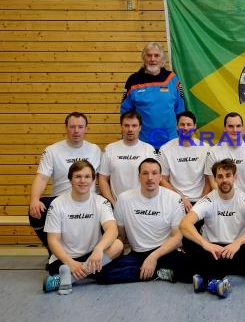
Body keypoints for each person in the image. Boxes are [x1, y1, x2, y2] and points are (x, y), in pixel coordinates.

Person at [180, 159, 245, 298]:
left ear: (235, 177)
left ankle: (206, 277)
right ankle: (216, 280)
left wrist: (237, 243)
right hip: (211, 251)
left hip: (234, 251)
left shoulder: (244, 199)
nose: (224, 180)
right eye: (220, 176)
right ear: (215, 179)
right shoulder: (208, 200)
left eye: (228, 175)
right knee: (187, 239)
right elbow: (184, 224)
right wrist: (206, 245)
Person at [103, 158, 190, 284]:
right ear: (139, 177)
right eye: (145, 173)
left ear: (160, 177)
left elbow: (177, 237)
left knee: (192, 270)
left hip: (165, 251)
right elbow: (120, 235)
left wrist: (153, 257)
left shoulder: (174, 198)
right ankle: (158, 273)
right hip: (138, 254)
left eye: (154, 173)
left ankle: (151, 271)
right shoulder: (124, 199)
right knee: (104, 274)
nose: (150, 178)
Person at [42, 160, 123, 295]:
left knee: (118, 245)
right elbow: (52, 240)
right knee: (107, 274)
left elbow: (112, 229)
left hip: (92, 257)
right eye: (78, 176)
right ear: (70, 179)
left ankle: (68, 278)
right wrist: (70, 262)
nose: (82, 181)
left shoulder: (101, 201)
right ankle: (79, 273)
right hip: (64, 260)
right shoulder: (57, 204)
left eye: (87, 177)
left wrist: (99, 249)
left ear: (92, 180)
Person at [28, 112, 101, 254]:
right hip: (60, 200)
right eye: (72, 127)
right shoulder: (52, 150)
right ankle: (54, 251)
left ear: (86, 129)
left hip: (88, 200)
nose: (76, 131)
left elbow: (103, 178)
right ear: (66, 128)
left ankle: (95, 252)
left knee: (109, 208)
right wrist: (34, 199)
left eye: (80, 127)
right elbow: (42, 177)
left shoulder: (95, 150)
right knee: (36, 212)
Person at [120, 42, 186, 149]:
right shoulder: (133, 80)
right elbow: (126, 113)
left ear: (162, 59)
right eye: (149, 55)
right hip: (142, 143)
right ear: (143, 58)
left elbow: (181, 110)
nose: (153, 59)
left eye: (156, 55)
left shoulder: (172, 79)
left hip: (171, 142)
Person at [98, 111, 156, 207]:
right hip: (117, 206)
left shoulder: (149, 149)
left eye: (134, 126)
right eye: (126, 126)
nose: (130, 129)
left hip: (143, 206)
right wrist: (112, 202)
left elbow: (155, 178)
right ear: (121, 127)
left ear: (140, 128)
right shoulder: (110, 149)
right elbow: (103, 178)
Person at [159, 111, 210, 213]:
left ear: (194, 126)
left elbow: (209, 179)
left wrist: (203, 201)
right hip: (175, 200)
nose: (185, 128)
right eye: (182, 124)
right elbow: (162, 180)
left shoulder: (206, 148)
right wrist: (181, 198)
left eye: (189, 124)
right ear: (177, 126)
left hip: (200, 201)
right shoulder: (165, 149)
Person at [205, 112, 245, 198]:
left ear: (243, 128)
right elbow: (213, 182)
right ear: (225, 129)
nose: (235, 130)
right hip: (222, 201)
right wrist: (227, 201)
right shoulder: (213, 151)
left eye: (238, 126)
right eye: (231, 126)